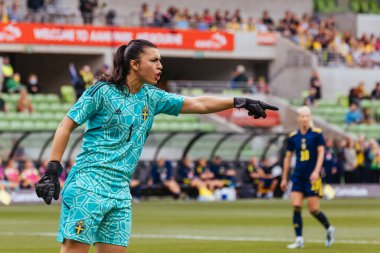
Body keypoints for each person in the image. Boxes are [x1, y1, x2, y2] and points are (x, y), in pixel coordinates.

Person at [35, 39, 278, 253]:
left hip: (120, 191)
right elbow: (65, 126)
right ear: (134, 64)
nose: (160, 65)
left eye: (160, 60)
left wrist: (240, 101)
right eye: (154, 60)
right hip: (88, 185)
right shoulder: (101, 91)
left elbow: (199, 104)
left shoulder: (152, 97)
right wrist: (52, 169)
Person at [281, 106, 335, 249]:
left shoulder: (317, 134)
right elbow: (288, 158)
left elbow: (321, 153)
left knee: (313, 210)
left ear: (310, 117)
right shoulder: (293, 137)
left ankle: (329, 228)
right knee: (296, 205)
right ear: (298, 118)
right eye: (302, 116)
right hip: (298, 176)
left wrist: (316, 171)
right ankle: (299, 239)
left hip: (313, 177)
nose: (304, 118)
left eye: (307, 116)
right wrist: (284, 178)